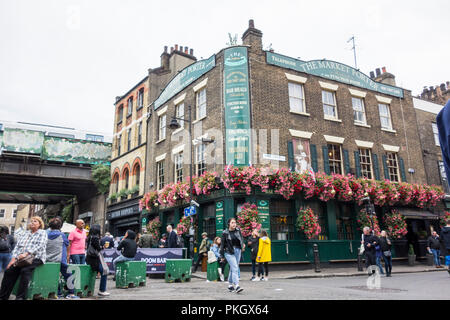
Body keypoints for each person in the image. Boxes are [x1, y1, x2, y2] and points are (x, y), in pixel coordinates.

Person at [0, 216, 47, 300]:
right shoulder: (25, 233)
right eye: (31, 221)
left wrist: (27, 253)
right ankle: (3, 296)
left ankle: (20, 297)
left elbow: (40, 245)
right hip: (21, 259)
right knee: (9, 271)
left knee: (25, 270)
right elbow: (17, 247)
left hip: (36, 257)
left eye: (35, 221)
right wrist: (13, 260)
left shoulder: (42, 233)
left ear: (40, 224)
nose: (32, 222)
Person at [46, 217, 79, 299]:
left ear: (50, 226)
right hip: (60, 259)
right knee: (69, 275)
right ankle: (71, 294)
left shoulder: (45, 234)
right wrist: (68, 255)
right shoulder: (62, 235)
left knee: (53, 277)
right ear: (60, 227)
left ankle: (58, 293)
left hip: (48, 260)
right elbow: (68, 245)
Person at [219, 217, 245, 293]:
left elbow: (241, 238)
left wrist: (242, 244)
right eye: (232, 223)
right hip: (229, 252)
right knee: (235, 268)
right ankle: (237, 285)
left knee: (233, 268)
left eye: (235, 222)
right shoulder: (225, 233)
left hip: (238, 251)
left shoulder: (238, 230)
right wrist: (222, 256)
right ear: (229, 224)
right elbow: (222, 245)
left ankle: (230, 285)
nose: (234, 224)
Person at [86, 224, 110, 296]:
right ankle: (102, 290)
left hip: (89, 258)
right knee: (104, 271)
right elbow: (98, 248)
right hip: (94, 259)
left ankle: (89, 289)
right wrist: (103, 247)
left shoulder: (89, 237)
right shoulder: (95, 238)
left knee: (93, 273)